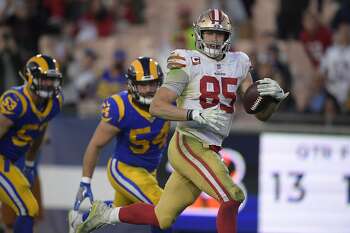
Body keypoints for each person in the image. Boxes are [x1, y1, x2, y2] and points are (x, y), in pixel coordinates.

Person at [73, 9, 288, 233]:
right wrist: (194, 114)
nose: (214, 38)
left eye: (218, 34)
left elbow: (256, 112)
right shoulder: (187, 61)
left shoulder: (240, 62)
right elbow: (157, 105)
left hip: (211, 147)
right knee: (232, 196)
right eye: (209, 33)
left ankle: (105, 213)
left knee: (162, 217)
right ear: (198, 34)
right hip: (189, 142)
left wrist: (271, 101)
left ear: (227, 36)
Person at [68, 57, 172, 233]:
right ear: (132, 85)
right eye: (142, 85)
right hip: (124, 167)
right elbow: (95, 145)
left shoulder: (170, 99)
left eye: (152, 84)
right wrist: (85, 181)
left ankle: (79, 223)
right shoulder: (121, 107)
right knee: (164, 209)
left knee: (115, 210)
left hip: (149, 171)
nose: (148, 90)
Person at [0, 54, 63, 233]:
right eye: (44, 80)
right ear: (30, 78)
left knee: (30, 207)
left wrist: (29, 163)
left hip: (12, 161)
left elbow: (39, 130)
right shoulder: (16, 101)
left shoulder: (54, 103)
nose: (49, 85)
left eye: (52, 80)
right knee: (27, 206)